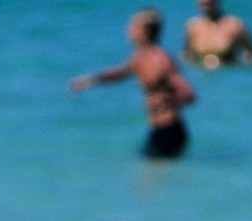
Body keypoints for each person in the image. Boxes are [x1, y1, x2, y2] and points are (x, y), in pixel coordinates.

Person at [69, 9, 196, 160]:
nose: (128, 31)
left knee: (153, 176)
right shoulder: (139, 57)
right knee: (151, 173)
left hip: (170, 129)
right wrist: (90, 80)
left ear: (145, 31)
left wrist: (168, 101)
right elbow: (119, 73)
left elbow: (189, 94)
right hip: (157, 129)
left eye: (132, 27)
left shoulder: (162, 60)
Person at [183, 0, 252, 66]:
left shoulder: (235, 25)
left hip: (228, 74)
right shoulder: (192, 26)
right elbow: (187, 55)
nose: (206, 1)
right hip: (201, 75)